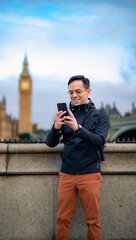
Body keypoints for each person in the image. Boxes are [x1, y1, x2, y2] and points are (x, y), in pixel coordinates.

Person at [46, 75, 110, 240]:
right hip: (67, 174)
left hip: (90, 173)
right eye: (71, 92)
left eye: (78, 91)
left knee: (93, 220)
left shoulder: (100, 115)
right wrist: (56, 127)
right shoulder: (65, 114)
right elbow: (50, 143)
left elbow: (99, 142)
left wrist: (77, 128)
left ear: (88, 91)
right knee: (62, 219)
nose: (74, 95)